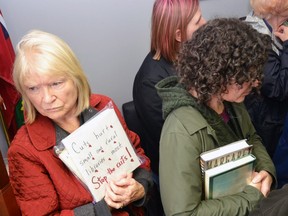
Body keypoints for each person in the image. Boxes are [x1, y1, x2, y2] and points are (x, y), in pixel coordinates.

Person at [7, 30, 153, 216]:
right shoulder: (23, 151)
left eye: (56, 83)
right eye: (33, 88)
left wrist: (139, 187)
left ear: (76, 79)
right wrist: (103, 207)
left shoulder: (102, 106)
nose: (46, 98)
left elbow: (137, 158)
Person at [156, 18, 277, 216]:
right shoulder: (180, 131)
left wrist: (266, 171)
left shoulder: (230, 102)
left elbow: (252, 138)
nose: (255, 83)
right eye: (246, 76)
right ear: (220, 75)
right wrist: (251, 197)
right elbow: (183, 213)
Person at [132, 1, 205, 214]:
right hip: (180, 170)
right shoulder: (151, 82)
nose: (205, 23)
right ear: (179, 35)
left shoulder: (190, 57)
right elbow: (179, 144)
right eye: (198, 21)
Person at [243, 0, 288, 159]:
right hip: (270, 123)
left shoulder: (271, 25)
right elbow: (278, 88)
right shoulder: (257, 40)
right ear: (278, 10)